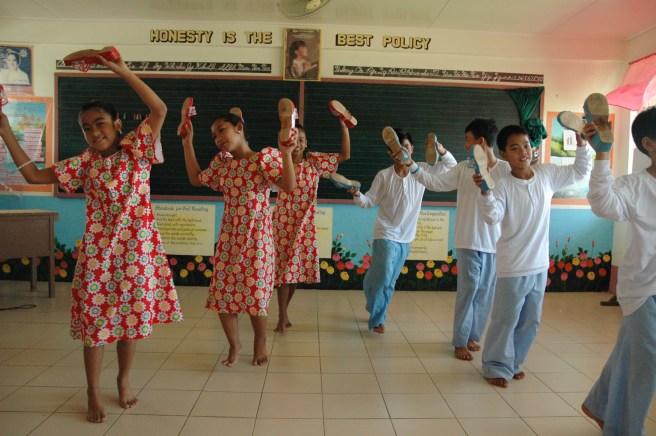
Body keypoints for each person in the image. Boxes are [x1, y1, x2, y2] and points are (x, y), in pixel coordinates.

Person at [0, 53, 182, 423]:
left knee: (130, 322)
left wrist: (119, 68)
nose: (94, 131)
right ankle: (93, 391)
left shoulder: (137, 150)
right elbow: (35, 176)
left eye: (100, 123)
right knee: (96, 327)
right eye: (86, 127)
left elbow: (160, 108)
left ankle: (123, 379)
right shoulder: (83, 163)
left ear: (116, 124)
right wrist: (4, 130)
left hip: (137, 254)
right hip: (99, 255)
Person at [181, 98, 296, 367]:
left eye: (222, 130)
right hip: (229, 241)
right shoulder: (223, 164)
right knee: (223, 297)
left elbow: (289, 186)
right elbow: (196, 179)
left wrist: (287, 154)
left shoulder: (263, 159)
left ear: (239, 127)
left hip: (257, 241)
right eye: (213, 135)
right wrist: (187, 143)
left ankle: (259, 342)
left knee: (255, 297)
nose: (218, 138)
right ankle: (235, 345)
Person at [477, 124, 592, 388]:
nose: (523, 152)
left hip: (539, 264)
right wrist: (484, 191)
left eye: (526, 146)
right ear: (504, 155)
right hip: (513, 266)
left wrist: (583, 146)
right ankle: (495, 365)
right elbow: (491, 216)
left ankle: (514, 362)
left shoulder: (547, 174)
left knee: (531, 320)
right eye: (515, 148)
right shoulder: (502, 185)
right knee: (506, 320)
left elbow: (579, 171)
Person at [405, 118, 510, 361]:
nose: (464, 145)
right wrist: (412, 166)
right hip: (468, 241)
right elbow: (436, 182)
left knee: (485, 292)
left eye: (467, 140)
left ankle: (474, 336)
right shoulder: (464, 168)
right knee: (469, 290)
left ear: (480, 142)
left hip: (495, 244)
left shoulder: (505, 170)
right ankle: (460, 341)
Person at [581, 106, 656, 434]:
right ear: (650, 143)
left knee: (631, 353)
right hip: (645, 290)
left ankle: (599, 403)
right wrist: (601, 157)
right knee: (648, 363)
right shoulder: (636, 185)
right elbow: (602, 203)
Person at [350, 127, 456, 333]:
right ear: (391, 153)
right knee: (383, 277)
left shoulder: (422, 170)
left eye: (406, 147)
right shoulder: (384, 175)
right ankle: (378, 319)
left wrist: (441, 151)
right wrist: (356, 194)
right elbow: (369, 201)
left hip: (406, 238)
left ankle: (373, 301)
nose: (403, 153)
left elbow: (451, 167)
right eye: (398, 150)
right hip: (386, 233)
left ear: (412, 149)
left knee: (388, 280)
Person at [272, 103, 352, 333]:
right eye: (293, 137)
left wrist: (344, 126)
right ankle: (281, 316)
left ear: (306, 143)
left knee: (294, 273)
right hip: (282, 222)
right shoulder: (279, 162)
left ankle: (284, 314)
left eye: (301, 139)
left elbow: (344, 155)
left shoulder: (314, 163)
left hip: (305, 226)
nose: (297, 143)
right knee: (284, 273)